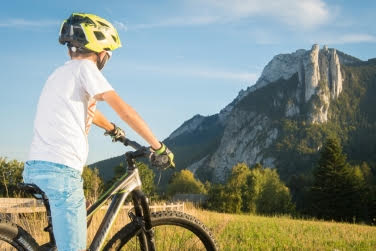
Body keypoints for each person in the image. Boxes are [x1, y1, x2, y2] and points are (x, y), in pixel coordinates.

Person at [22, 13, 175, 251]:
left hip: (37, 167)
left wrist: (113, 129)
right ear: (101, 52)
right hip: (61, 172)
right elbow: (124, 110)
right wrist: (158, 146)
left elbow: (86, 112)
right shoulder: (86, 68)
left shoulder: (60, 74)